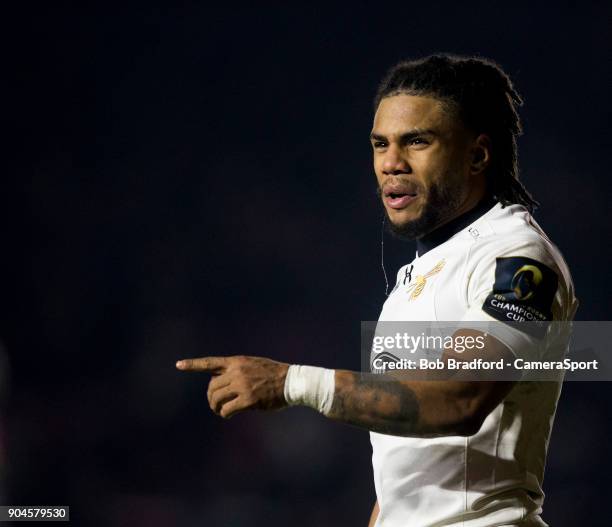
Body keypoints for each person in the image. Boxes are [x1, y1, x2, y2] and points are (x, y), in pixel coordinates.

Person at [176, 54, 578, 526]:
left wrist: (292, 382)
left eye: (417, 142)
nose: (390, 163)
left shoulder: (518, 258)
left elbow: (457, 399)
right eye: (380, 144)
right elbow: (405, 473)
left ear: (477, 155)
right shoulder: (419, 274)